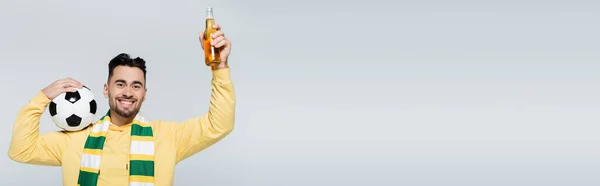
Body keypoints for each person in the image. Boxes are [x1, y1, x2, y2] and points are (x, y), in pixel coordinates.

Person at [7, 24, 235, 186]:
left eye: (136, 86)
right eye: (120, 84)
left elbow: (219, 125)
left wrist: (220, 67)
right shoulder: (75, 139)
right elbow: (21, 151)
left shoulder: (167, 136)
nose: (128, 92)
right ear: (106, 90)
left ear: (145, 94)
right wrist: (42, 98)